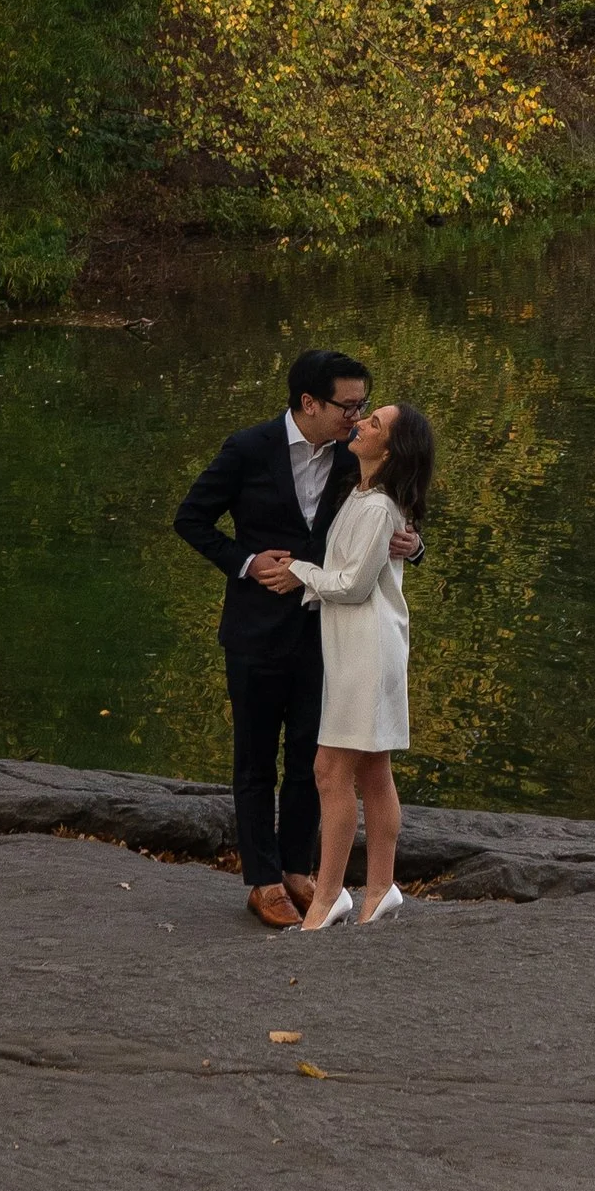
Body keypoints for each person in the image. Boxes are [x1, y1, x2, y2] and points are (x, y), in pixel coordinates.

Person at [172, 351, 421, 930]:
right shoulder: (248, 449)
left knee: (317, 760)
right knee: (255, 759)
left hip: (328, 633)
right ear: (309, 403)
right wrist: (246, 561)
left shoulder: (354, 459)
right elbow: (192, 520)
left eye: (364, 405)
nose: (356, 417)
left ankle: (301, 870)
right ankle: (262, 879)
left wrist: (416, 546)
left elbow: (389, 520)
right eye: (348, 405)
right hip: (255, 631)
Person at [259, 401, 436, 932]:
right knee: (372, 770)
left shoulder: (380, 506)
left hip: (366, 647)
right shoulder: (359, 492)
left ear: (391, 448)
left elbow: (355, 585)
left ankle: (328, 897)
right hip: (355, 644)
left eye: (374, 423)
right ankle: (381, 889)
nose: (360, 423)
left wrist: (300, 574)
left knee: (329, 771)